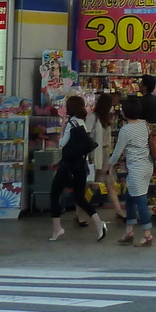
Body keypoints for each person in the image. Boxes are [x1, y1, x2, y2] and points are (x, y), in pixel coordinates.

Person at [50, 95, 107, 242]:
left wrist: (62, 129)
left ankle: (57, 228)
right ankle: (99, 224)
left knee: (54, 194)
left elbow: (62, 144)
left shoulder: (71, 124)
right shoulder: (82, 122)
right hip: (81, 166)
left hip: (67, 166)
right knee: (80, 198)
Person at [109, 94, 155, 247]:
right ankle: (129, 230)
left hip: (136, 169)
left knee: (140, 201)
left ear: (125, 112)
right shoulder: (144, 125)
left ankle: (147, 234)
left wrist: (108, 165)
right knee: (129, 197)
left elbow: (117, 152)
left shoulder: (126, 130)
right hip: (147, 166)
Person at [87, 92, 123, 219]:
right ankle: (79, 213)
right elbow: (87, 135)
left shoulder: (105, 118)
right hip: (96, 155)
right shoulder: (94, 118)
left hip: (105, 155)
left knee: (110, 184)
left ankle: (118, 210)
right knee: (89, 186)